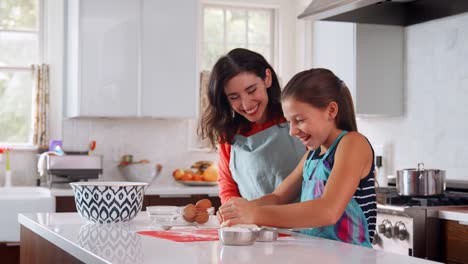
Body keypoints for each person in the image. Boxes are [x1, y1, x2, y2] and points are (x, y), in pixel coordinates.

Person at [217, 68, 377, 248]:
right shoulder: (312, 155)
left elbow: (328, 210)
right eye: (289, 122)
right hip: (318, 256)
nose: (292, 131)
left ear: (331, 110)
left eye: (299, 120)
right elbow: (278, 198)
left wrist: (254, 214)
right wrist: (239, 210)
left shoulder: (352, 143)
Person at [199, 48, 306, 205]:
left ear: (267, 78)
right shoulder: (229, 135)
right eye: (234, 97)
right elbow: (228, 188)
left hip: (304, 225)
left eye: (251, 90)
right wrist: (232, 210)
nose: (246, 104)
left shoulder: (297, 118)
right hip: (255, 225)